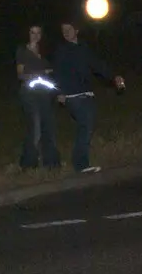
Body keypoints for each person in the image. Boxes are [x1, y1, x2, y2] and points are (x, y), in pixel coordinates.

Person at [50, 21, 124, 173]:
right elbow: (56, 73)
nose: (66, 32)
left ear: (76, 30)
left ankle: (80, 161)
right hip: (73, 95)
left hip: (87, 93)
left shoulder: (83, 48)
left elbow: (97, 65)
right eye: (63, 30)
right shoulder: (62, 50)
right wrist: (59, 93)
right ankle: (81, 164)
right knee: (86, 124)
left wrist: (113, 77)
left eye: (69, 29)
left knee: (85, 126)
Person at [15, 24, 61, 170]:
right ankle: (28, 163)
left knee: (49, 126)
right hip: (29, 93)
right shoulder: (23, 51)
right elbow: (20, 74)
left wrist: (49, 72)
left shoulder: (44, 52)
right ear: (28, 34)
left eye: (38, 33)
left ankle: (52, 162)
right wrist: (38, 74)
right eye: (32, 32)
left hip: (45, 93)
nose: (35, 36)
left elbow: (52, 70)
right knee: (35, 127)